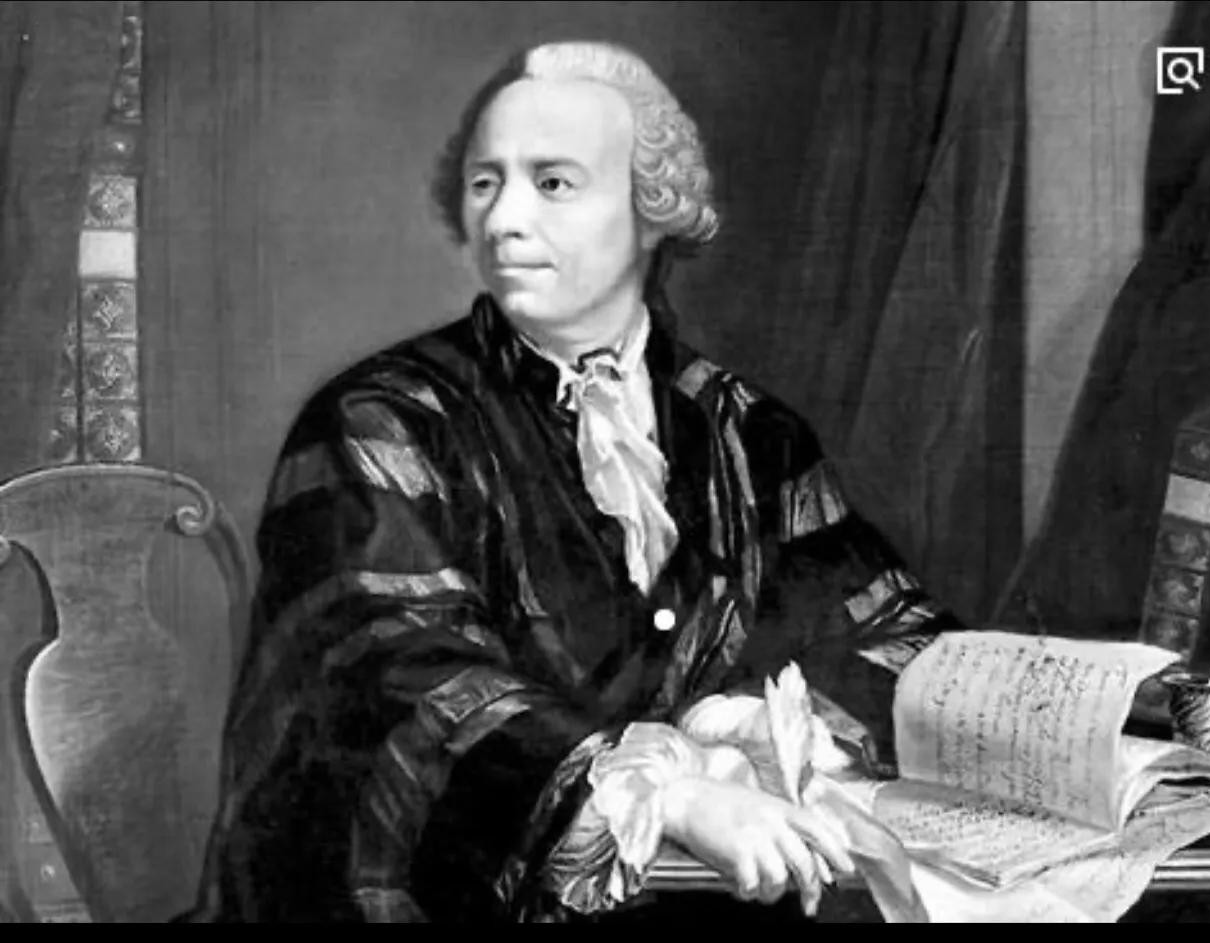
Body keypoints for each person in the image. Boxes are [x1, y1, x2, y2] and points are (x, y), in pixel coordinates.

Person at [190, 40, 965, 924]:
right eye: (485, 183)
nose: (503, 219)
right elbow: (392, 671)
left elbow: (892, 629)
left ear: (651, 208)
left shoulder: (752, 434)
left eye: (552, 182)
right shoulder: (380, 422)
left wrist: (761, 723)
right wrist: (661, 796)